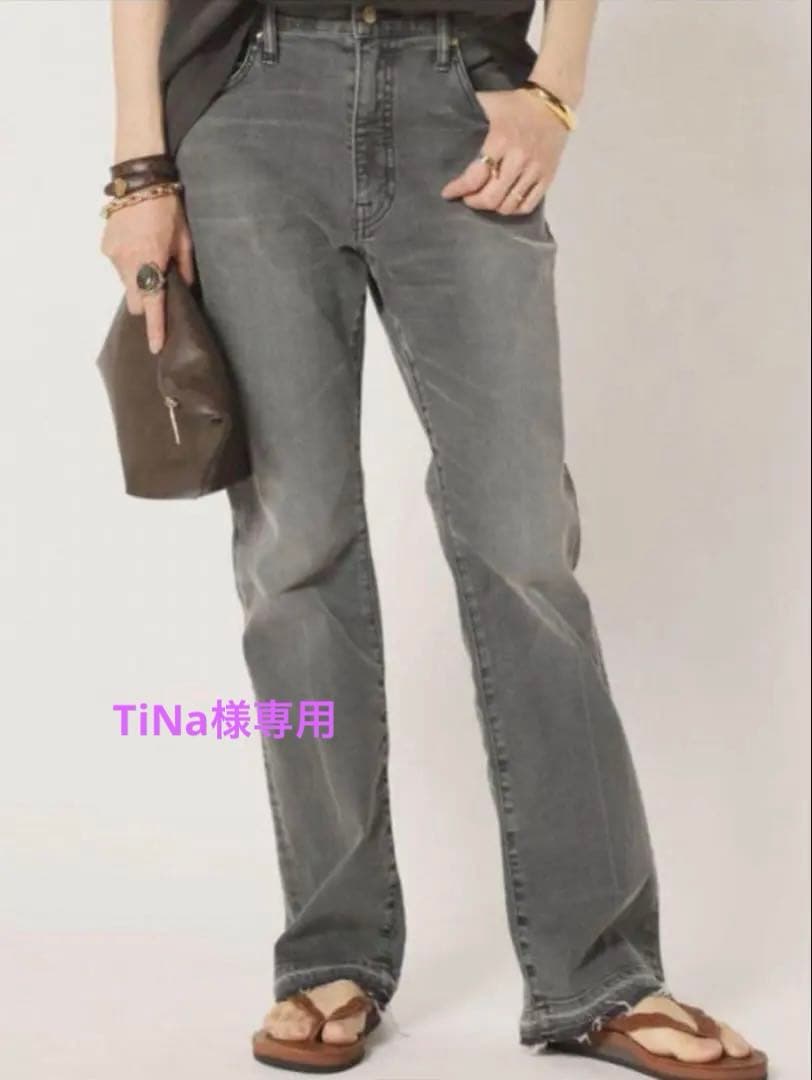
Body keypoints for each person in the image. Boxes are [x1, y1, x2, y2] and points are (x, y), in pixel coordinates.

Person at [101, 2, 767, 1077]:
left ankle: (601, 973)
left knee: (522, 543)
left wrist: (556, 90)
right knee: (294, 549)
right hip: (255, 100)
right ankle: (331, 950)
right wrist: (141, 171)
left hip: (464, 96)